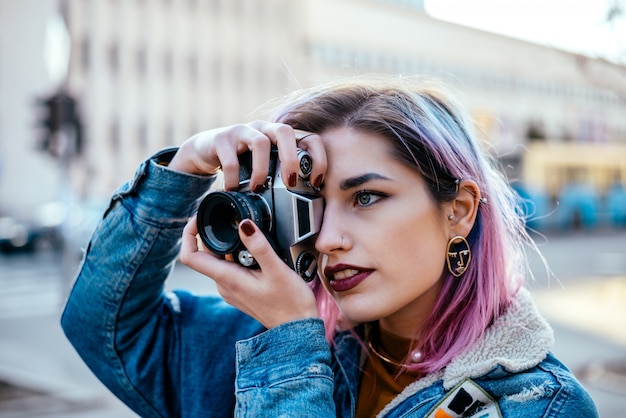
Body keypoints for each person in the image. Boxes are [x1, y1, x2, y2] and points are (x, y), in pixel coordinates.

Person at [61, 75, 598, 417]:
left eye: (366, 197)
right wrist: (185, 169)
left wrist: (293, 349)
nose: (329, 238)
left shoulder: (536, 404)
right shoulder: (266, 336)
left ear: (456, 210)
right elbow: (102, 326)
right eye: (315, 203)